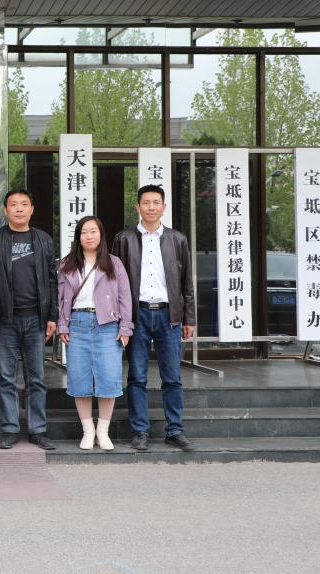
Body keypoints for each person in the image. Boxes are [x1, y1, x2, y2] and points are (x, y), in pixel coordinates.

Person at [111, 184, 196, 452]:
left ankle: (175, 430)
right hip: (137, 315)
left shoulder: (177, 239)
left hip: (169, 315)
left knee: (172, 377)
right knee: (137, 376)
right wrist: (121, 319)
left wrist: (189, 318)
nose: (150, 207)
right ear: (137, 206)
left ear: (163, 207)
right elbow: (115, 281)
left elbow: (186, 282)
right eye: (146, 203)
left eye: (155, 202)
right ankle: (139, 431)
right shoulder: (123, 239)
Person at [0, 189, 58, 451]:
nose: (18, 209)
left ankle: (38, 430)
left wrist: (52, 316)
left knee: (36, 377)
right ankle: (9, 429)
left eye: (24, 204)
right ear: (5, 210)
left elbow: (53, 280)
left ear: (31, 209)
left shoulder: (43, 239)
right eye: (13, 205)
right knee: (6, 377)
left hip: (36, 319)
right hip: (5, 319)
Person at [57, 216, 133, 450]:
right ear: (78, 237)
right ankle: (88, 430)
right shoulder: (66, 264)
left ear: (101, 235)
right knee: (79, 378)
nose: (89, 236)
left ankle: (103, 431)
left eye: (93, 231)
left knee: (108, 378)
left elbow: (125, 296)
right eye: (84, 232)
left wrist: (125, 326)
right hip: (77, 323)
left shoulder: (113, 263)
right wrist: (62, 325)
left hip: (107, 325)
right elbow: (60, 298)